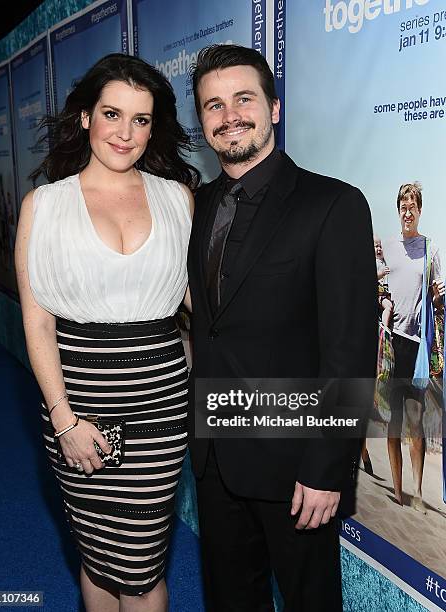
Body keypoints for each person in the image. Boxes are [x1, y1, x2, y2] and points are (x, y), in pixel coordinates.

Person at [187, 44, 378, 611]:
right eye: (213, 106)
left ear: (274, 107)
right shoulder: (197, 206)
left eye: (243, 99)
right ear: (202, 122)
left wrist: (327, 467)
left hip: (296, 465)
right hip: (216, 457)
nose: (230, 116)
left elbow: (350, 349)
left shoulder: (333, 204)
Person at [15, 53, 199, 612]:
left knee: (141, 566)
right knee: (97, 554)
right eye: (112, 114)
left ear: (154, 127)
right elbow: (38, 322)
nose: (125, 132)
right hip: (81, 407)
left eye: (141, 120)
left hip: (159, 410)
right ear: (85, 118)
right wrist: (64, 420)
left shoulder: (177, 199)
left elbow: (204, 305)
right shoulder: (44, 207)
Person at [382, 182, 444, 513]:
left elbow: (436, 301)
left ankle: (418, 492)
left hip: (416, 347)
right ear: (399, 210)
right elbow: (376, 287)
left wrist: (438, 297)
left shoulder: (431, 249)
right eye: (403, 207)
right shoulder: (388, 247)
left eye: (412, 206)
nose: (407, 212)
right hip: (392, 343)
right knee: (392, 423)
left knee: (415, 424)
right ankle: (398, 489)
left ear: (420, 210)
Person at [374, 236, 393, 329]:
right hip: (378, 293)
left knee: (390, 307)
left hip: (385, 292)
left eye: (381, 247)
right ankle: (384, 328)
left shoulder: (383, 261)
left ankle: (385, 325)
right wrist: (381, 273)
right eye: (376, 246)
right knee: (388, 307)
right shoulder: (374, 262)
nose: (379, 249)